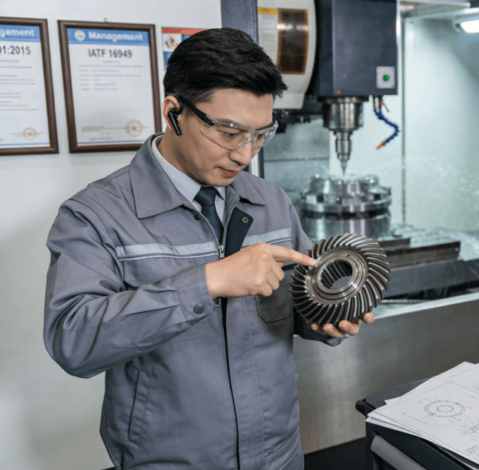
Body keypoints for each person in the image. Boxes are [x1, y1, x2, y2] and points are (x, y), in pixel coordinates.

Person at [43, 28, 373, 470]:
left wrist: (325, 320)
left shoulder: (271, 202)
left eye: (260, 135)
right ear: (173, 111)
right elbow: (73, 340)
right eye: (229, 132)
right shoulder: (96, 214)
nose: (244, 155)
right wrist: (209, 281)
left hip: (278, 456)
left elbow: (297, 302)